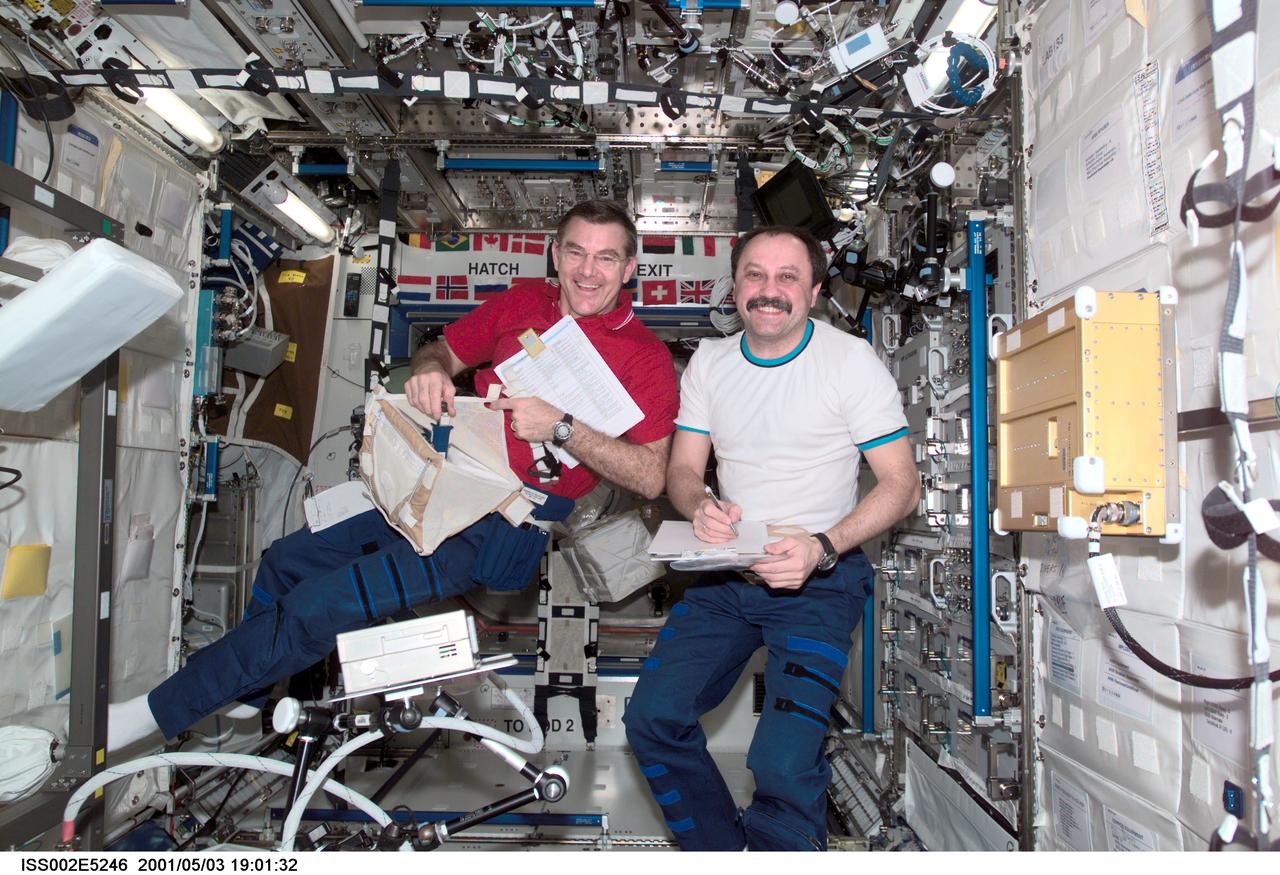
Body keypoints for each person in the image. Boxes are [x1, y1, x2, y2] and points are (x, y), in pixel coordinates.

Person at [108, 199, 679, 750]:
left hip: (500, 527)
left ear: (629, 268)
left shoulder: (645, 359)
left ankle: (156, 713)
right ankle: (251, 685)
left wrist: (562, 427)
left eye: (606, 258)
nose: (588, 271)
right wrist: (430, 373)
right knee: (285, 562)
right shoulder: (522, 303)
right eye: (576, 253)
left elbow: (652, 477)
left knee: (319, 608)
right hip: (438, 484)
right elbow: (444, 352)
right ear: (555, 256)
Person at [622, 225, 919, 851]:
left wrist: (823, 546)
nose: (769, 290)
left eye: (788, 278)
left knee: (781, 763)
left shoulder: (848, 363)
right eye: (755, 275)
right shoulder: (711, 362)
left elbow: (900, 486)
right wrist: (699, 503)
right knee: (652, 719)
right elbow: (681, 470)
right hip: (727, 577)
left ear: (814, 291)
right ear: (736, 288)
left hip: (820, 580)